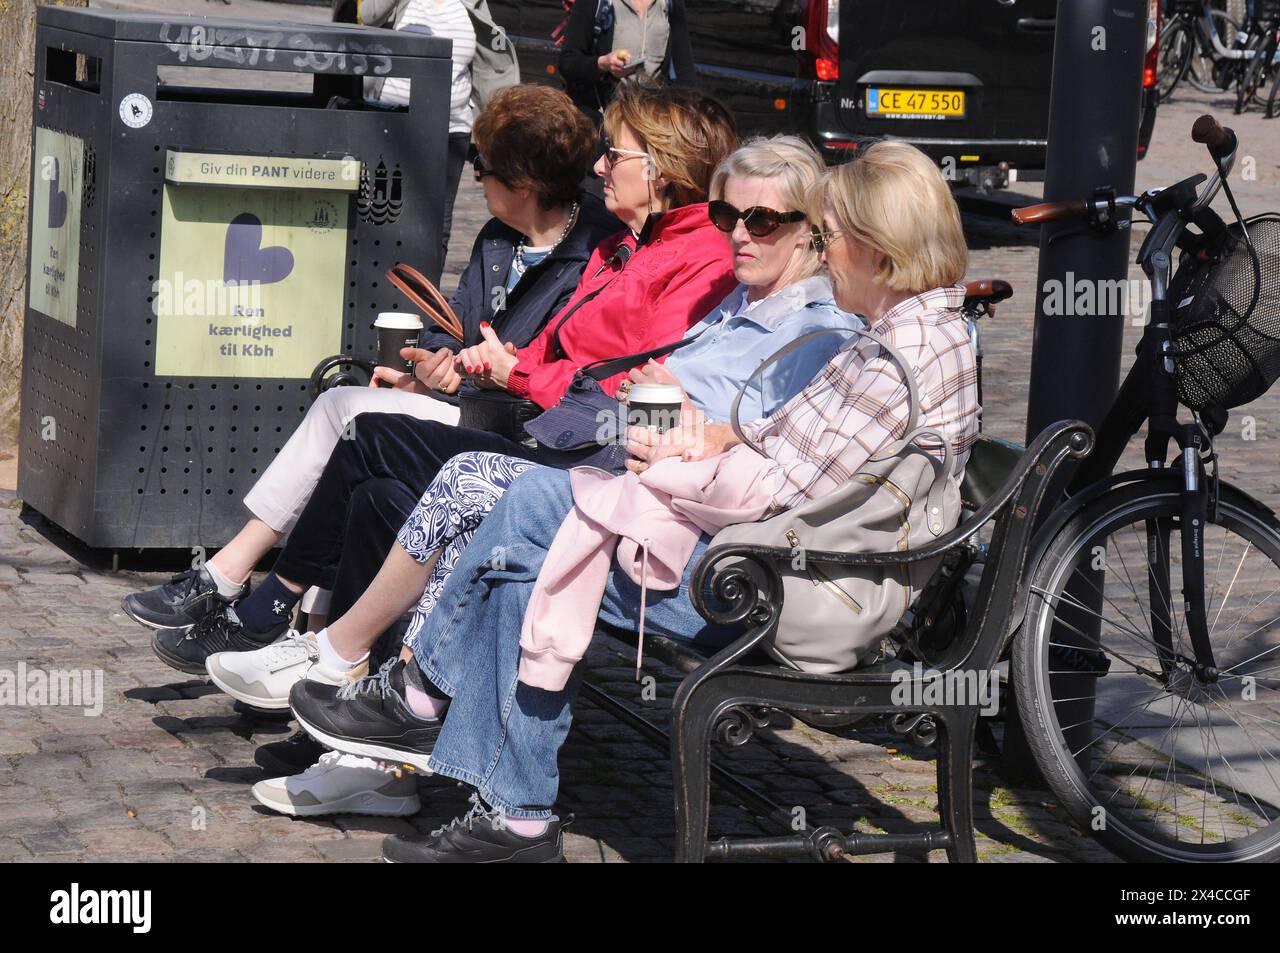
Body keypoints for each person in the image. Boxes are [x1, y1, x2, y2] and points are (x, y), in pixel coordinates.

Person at [291, 140, 983, 862]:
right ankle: (511, 813)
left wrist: (676, 466)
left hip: (780, 590)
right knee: (524, 553)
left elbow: (781, 493)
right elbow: (771, 441)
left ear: (877, 247)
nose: (822, 247)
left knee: (533, 508)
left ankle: (422, 697)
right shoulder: (905, 335)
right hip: (774, 564)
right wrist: (701, 442)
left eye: (829, 235)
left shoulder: (894, 358)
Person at [207, 136, 860, 805]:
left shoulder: (813, 332)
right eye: (727, 216)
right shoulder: (736, 305)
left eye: (763, 220)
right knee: (392, 490)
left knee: (464, 480)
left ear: (811, 230)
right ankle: (374, 740)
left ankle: (355, 676)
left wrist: (657, 416)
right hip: (623, 474)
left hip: (678, 533)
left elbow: (766, 460)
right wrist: (649, 405)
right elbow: (659, 413)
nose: (741, 235)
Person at [141, 84, 740, 678]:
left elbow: (633, 387)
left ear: (660, 168)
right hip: (538, 422)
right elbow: (536, 345)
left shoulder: (687, 257)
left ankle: (273, 611)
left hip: (582, 455)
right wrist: (465, 369)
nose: (601, 166)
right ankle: (325, 667)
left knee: (364, 433)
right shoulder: (619, 246)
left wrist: (512, 371)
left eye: (616, 154)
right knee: (374, 483)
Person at [360, 0, 478, 273]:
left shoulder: (471, 4)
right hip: (391, 125)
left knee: (437, 221)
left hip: (451, 128)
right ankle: (376, 290)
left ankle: (424, 300)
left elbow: (491, 62)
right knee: (381, 211)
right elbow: (369, 16)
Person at [559, 0, 696, 128]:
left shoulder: (670, 3)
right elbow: (568, 62)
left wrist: (689, 116)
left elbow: (684, 69)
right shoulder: (595, 3)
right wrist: (603, 63)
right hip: (605, 120)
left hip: (653, 122)